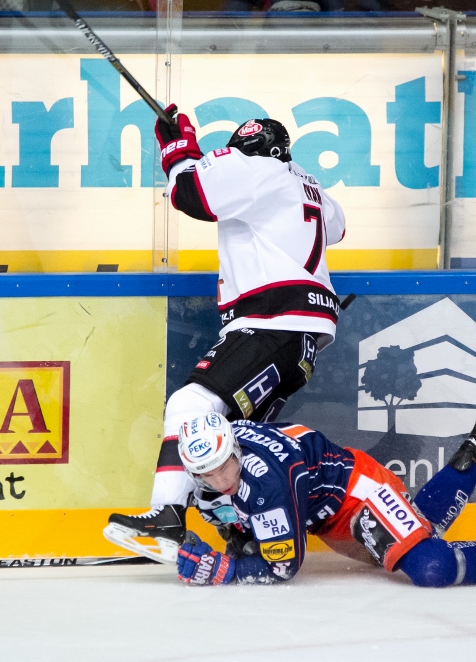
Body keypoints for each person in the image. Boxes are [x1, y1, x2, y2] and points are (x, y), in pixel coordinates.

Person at [104, 107, 346, 563]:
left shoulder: (255, 167)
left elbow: (191, 194)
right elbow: (337, 227)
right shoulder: (307, 183)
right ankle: (245, 531)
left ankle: (166, 517)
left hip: (270, 321)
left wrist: (179, 147)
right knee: (232, 436)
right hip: (304, 339)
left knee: (190, 407)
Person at [173, 398, 476, 586]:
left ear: (236, 448)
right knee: (410, 538)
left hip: (359, 495)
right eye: (207, 473)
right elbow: (240, 521)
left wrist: (224, 570)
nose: (220, 479)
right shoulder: (217, 465)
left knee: (429, 566)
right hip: (323, 510)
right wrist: (236, 540)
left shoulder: (268, 484)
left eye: (226, 465)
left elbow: (282, 568)